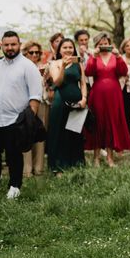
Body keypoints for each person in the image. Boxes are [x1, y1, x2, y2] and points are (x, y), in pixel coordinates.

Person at [0, 31, 42, 200]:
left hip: (16, 120)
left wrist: (29, 122)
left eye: (13, 44)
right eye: (6, 45)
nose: (9, 48)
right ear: (2, 45)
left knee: (14, 155)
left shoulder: (28, 66)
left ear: (19, 44)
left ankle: (15, 186)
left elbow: (35, 96)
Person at [83, 32, 130, 167]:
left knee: (111, 123)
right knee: (98, 123)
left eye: (106, 43)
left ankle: (110, 158)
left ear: (110, 44)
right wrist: (93, 57)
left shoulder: (115, 56)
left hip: (114, 95)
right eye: (101, 44)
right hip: (98, 94)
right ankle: (96, 158)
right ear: (97, 45)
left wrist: (119, 57)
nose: (104, 46)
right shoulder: (94, 57)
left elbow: (123, 72)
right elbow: (88, 72)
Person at [47, 38, 87, 173]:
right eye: (65, 47)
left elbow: (82, 82)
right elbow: (57, 83)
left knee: (75, 132)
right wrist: (63, 66)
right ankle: (58, 166)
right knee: (59, 133)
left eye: (70, 47)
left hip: (77, 100)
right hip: (60, 101)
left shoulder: (78, 64)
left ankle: (76, 164)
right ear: (59, 50)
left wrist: (84, 98)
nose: (68, 50)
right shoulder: (54, 63)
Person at [21, 41, 47, 177]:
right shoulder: (21, 67)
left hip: (41, 103)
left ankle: (39, 168)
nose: (35, 54)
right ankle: (26, 170)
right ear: (25, 53)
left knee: (40, 135)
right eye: (32, 52)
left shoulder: (43, 67)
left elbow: (48, 88)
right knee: (26, 134)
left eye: (37, 52)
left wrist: (45, 78)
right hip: (25, 105)